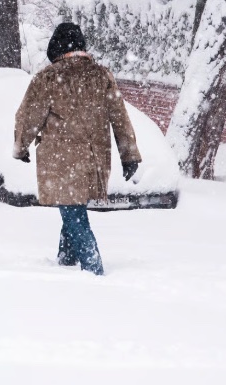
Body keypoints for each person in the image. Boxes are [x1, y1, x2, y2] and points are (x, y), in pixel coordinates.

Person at [12, 22, 141, 275]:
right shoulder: (101, 75)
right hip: (94, 160)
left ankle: (94, 270)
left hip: (62, 161)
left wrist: (20, 148)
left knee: (73, 212)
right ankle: (66, 263)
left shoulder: (48, 78)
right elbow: (120, 118)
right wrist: (129, 155)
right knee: (72, 206)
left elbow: (27, 117)